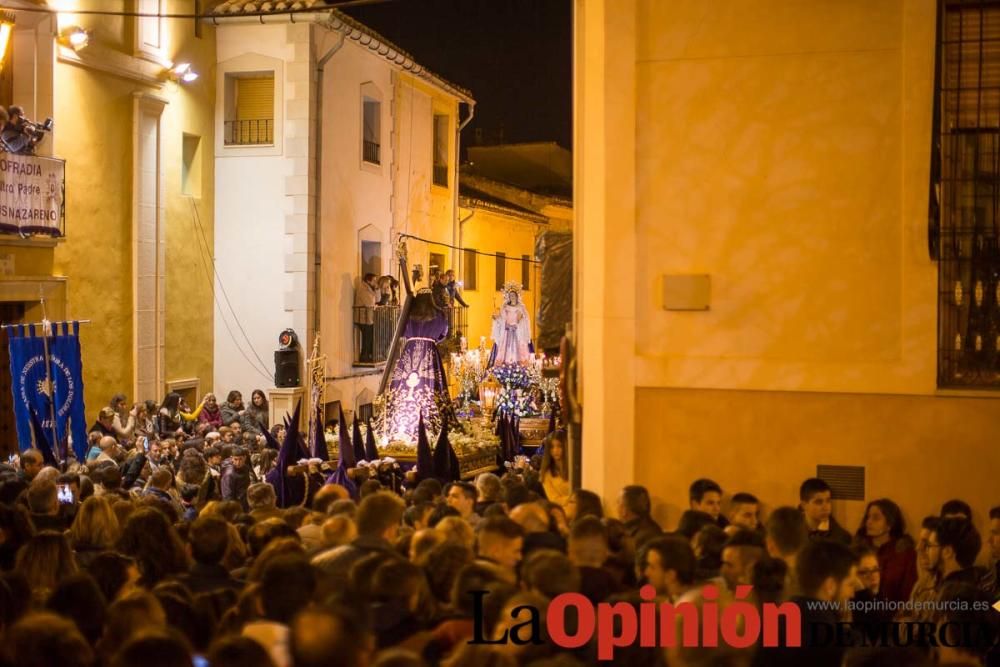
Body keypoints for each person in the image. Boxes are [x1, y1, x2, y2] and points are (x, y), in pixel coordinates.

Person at [385, 291, 454, 442]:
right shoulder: (439, 315)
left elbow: (400, 332)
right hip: (429, 352)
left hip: (410, 350)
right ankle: (431, 420)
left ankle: (400, 422)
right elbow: (443, 333)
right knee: (430, 385)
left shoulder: (408, 315)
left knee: (404, 383)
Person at [853, 498, 917, 603]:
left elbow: (908, 593)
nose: (869, 522)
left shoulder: (905, 553)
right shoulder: (858, 548)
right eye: (868, 517)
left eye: (876, 518)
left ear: (889, 525)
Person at [488, 281, 532, 367]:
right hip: (507, 332)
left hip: (516, 332)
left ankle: (518, 367)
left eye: (513, 295)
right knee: (505, 350)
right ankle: (505, 367)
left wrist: (521, 319)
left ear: (517, 296)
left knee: (518, 350)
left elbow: (524, 320)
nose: (512, 297)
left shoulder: (520, 307)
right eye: (510, 296)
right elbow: (502, 319)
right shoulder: (505, 307)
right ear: (508, 297)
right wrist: (496, 318)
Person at [799, 477, 851, 545]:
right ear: (804, 505)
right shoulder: (791, 533)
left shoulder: (841, 538)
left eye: (828, 501)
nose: (825, 507)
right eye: (818, 502)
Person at [538, 430, 569, 507]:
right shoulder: (545, 473)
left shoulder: (575, 468)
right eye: (552, 447)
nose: (555, 450)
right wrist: (573, 499)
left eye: (559, 446)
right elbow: (554, 500)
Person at [355, 273, 379, 363]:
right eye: (374, 280)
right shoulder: (363, 289)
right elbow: (369, 303)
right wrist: (374, 305)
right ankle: (364, 356)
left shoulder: (370, 289)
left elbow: (377, 299)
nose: (375, 282)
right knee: (367, 337)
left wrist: (377, 289)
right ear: (368, 280)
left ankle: (367, 355)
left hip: (368, 317)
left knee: (369, 337)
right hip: (363, 317)